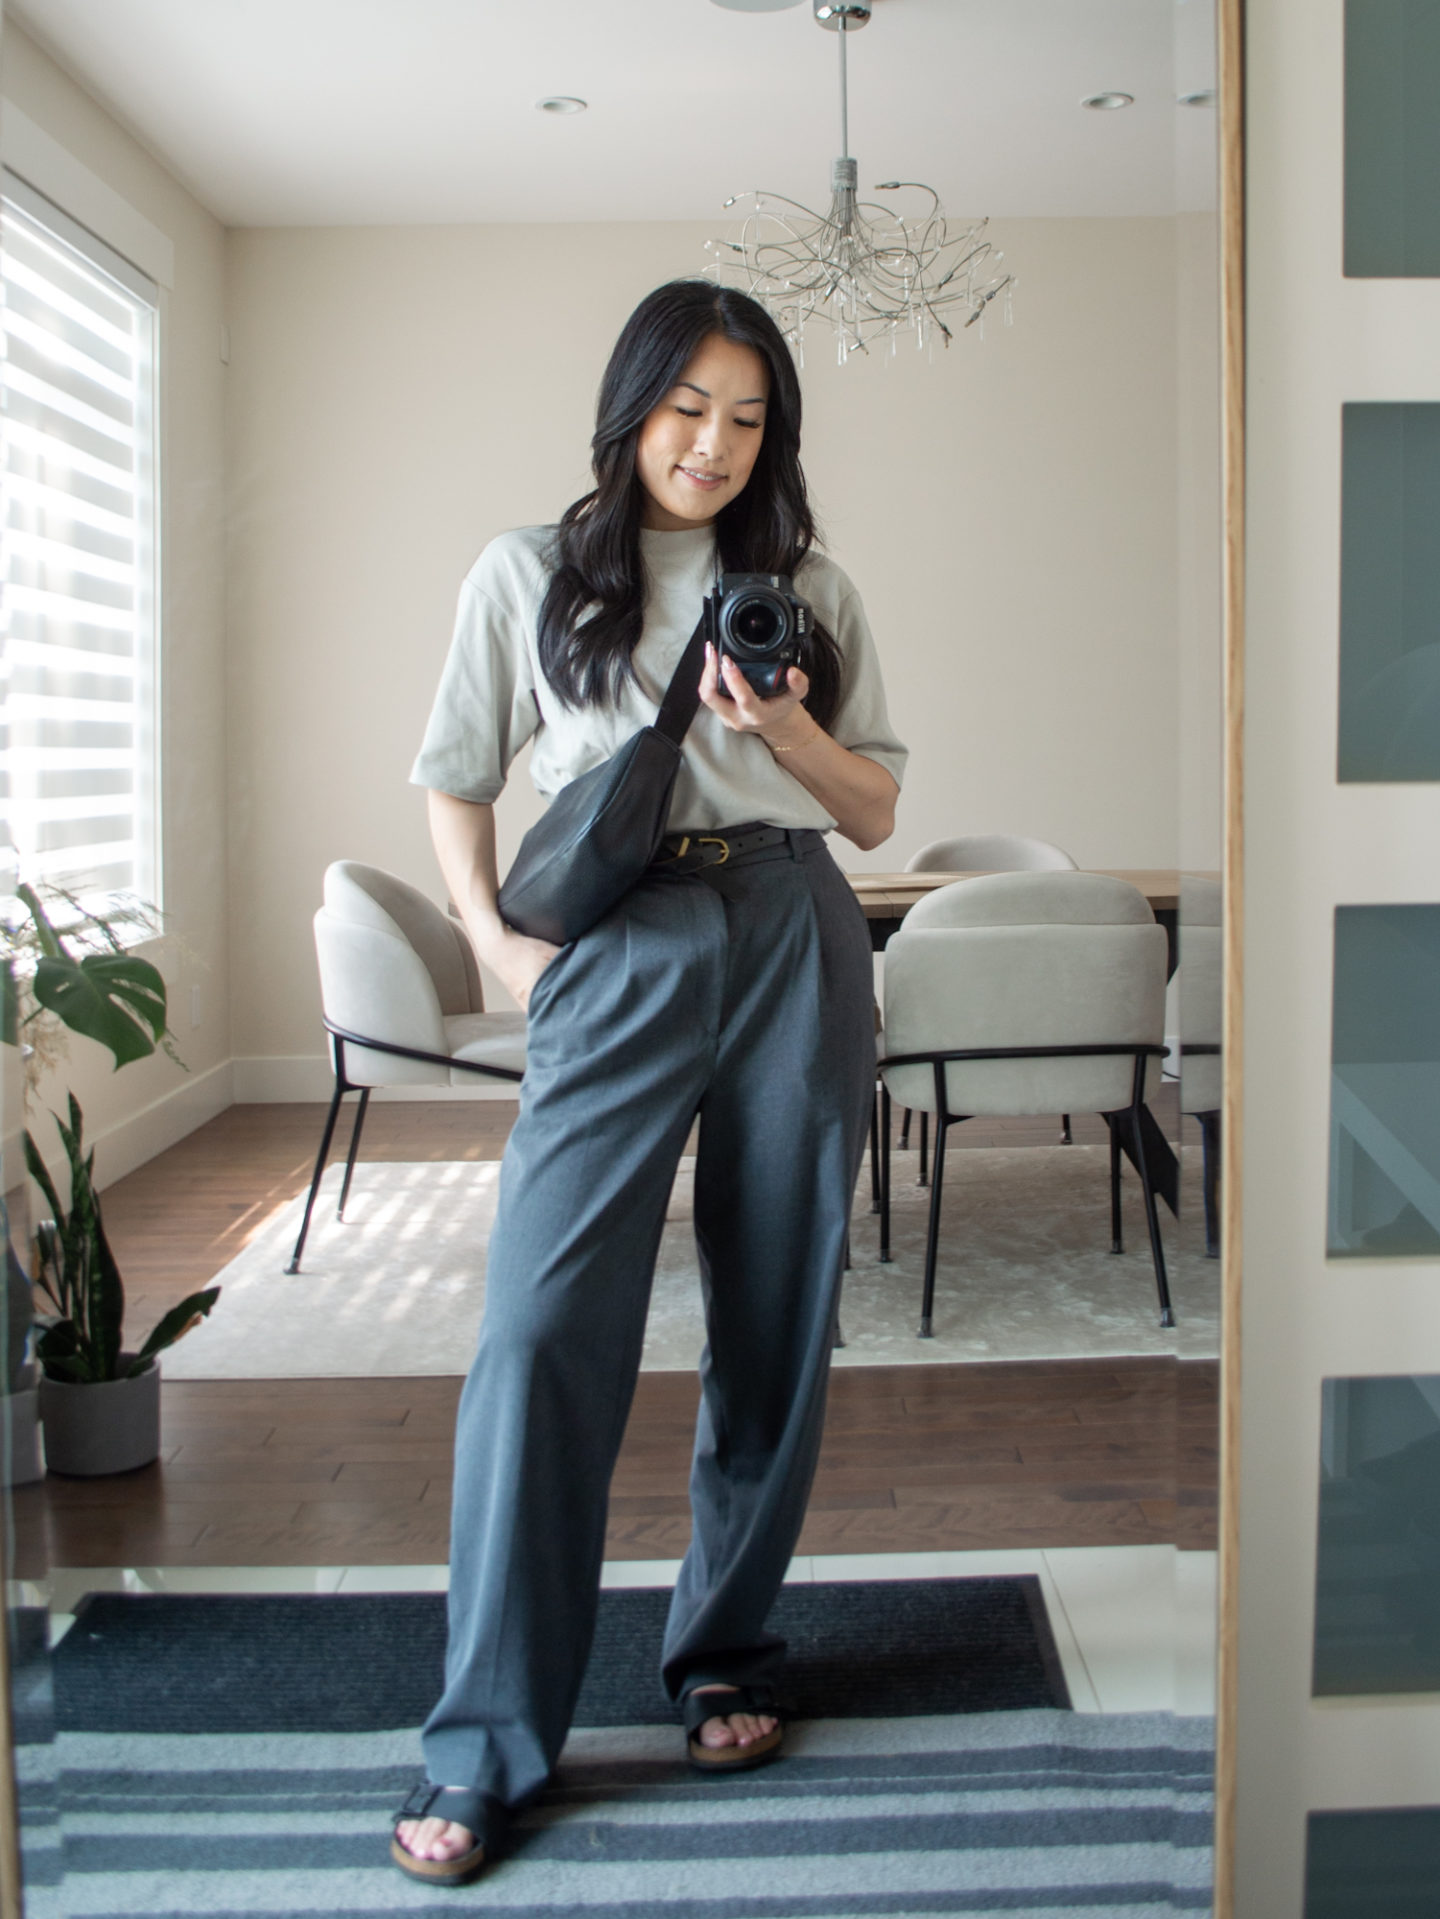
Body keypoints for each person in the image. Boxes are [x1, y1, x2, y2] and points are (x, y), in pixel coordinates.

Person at [392, 279, 907, 1886]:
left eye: (750, 417)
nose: (716, 443)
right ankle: (486, 1738)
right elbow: (454, 774)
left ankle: (727, 1651)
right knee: (542, 1330)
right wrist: (491, 943)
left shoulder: (807, 583)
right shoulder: (528, 573)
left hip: (788, 925)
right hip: (611, 938)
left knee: (775, 1312)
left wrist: (791, 724)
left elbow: (878, 811)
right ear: (631, 410)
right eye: (690, 406)